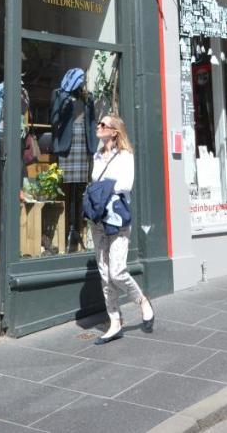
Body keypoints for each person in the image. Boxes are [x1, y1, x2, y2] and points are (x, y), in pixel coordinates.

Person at [90, 115, 154, 344]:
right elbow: (94, 182)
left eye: (103, 125)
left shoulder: (125, 155)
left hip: (116, 216)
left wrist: (102, 188)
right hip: (98, 218)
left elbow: (126, 184)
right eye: (99, 124)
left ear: (114, 131)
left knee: (117, 270)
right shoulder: (97, 155)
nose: (99, 127)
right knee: (104, 273)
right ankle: (114, 321)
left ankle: (142, 301)